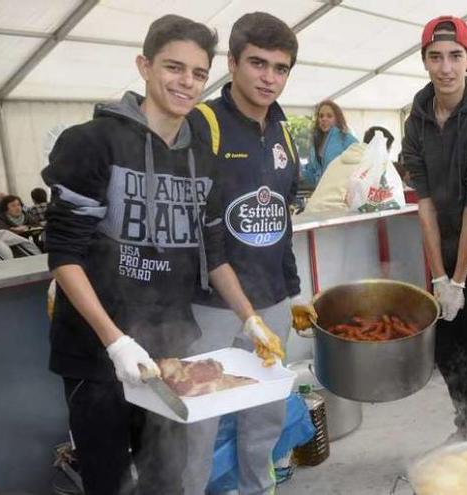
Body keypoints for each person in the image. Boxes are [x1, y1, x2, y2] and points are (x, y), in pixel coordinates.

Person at [42, 15, 281, 495]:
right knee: (107, 479)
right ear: (144, 66)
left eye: (197, 73)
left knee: (164, 479)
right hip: (95, 350)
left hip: (170, 345)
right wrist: (115, 342)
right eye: (174, 68)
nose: (186, 83)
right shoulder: (92, 142)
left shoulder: (201, 155)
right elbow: (63, 253)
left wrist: (251, 318)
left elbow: (214, 251)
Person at [186, 12, 316, 495]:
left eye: (280, 69)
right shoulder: (204, 125)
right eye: (258, 64)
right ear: (233, 62)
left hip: (271, 304)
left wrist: (293, 293)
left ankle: (259, 489)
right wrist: (245, 314)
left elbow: (281, 225)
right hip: (211, 310)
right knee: (199, 427)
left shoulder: (283, 131)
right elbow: (204, 234)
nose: (269, 78)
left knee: (265, 418)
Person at [403, 15, 467, 441]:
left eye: (455, 56)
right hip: (440, 251)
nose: (445, 67)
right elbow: (424, 203)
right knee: (444, 348)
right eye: (436, 56)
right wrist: (438, 275)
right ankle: (463, 421)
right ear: (425, 61)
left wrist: (459, 280)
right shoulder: (416, 120)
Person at [304, 99, 357, 187]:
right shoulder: (315, 143)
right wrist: (300, 173)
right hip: (322, 193)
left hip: (341, 193)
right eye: (321, 116)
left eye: (329, 116)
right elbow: (312, 174)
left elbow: (359, 165)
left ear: (337, 118)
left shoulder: (346, 139)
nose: (324, 119)